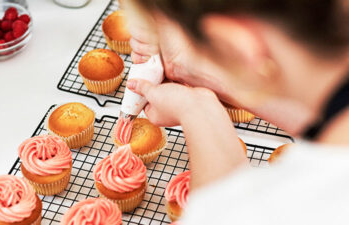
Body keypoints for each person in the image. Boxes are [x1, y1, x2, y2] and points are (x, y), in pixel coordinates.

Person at [123, 0, 349, 224]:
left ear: (233, 43)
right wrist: (194, 68)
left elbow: (224, 213)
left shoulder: (292, 206)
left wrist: (196, 109)